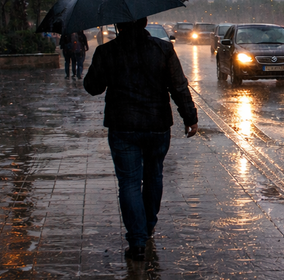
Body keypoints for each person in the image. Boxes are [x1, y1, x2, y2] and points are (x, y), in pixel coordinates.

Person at [83, 17, 199, 262]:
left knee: (129, 183)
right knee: (154, 175)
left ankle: (137, 241)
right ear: (145, 23)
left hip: (123, 126)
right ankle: (148, 228)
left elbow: (92, 87)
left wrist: (104, 63)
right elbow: (178, 86)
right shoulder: (163, 49)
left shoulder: (107, 51)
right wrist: (190, 117)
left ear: (118, 25)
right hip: (157, 126)